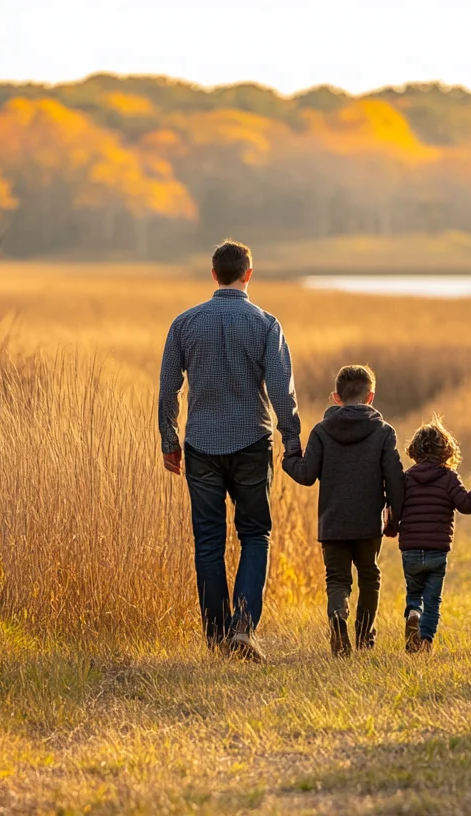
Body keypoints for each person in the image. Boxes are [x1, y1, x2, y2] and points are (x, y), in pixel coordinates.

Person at [158, 239, 301, 662]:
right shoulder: (266, 324)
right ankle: (243, 627)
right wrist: (291, 438)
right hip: (252, 442)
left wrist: (169, 440)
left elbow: (169, 388)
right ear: (248, 274)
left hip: (200, 444)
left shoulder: (184, 323)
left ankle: (217, 638)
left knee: (208, 542)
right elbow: (280, 389)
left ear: (213, 273)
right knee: (255, 534)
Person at [281, 365, 405, 657]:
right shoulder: (384, 432)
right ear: (370, 396)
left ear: (335, 397)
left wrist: (289, 458)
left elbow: (307, 474)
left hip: (333, 522)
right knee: (369, 575)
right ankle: (364, 636)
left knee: (337, 580)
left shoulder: (322, 432)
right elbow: (395, 477)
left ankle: (338, 615)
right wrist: (395, 516)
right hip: (368, 522)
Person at [390, 419, 471, 653]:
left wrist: (391, 526)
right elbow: (466, 505)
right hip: (437, 551)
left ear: (415, 450)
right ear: (446, 450)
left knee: (414, 592)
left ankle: (413, 612)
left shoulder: (406, 478)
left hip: (411, 550)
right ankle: (425, 642)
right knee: (433, 601)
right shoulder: (449, 478)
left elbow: (395, 507)